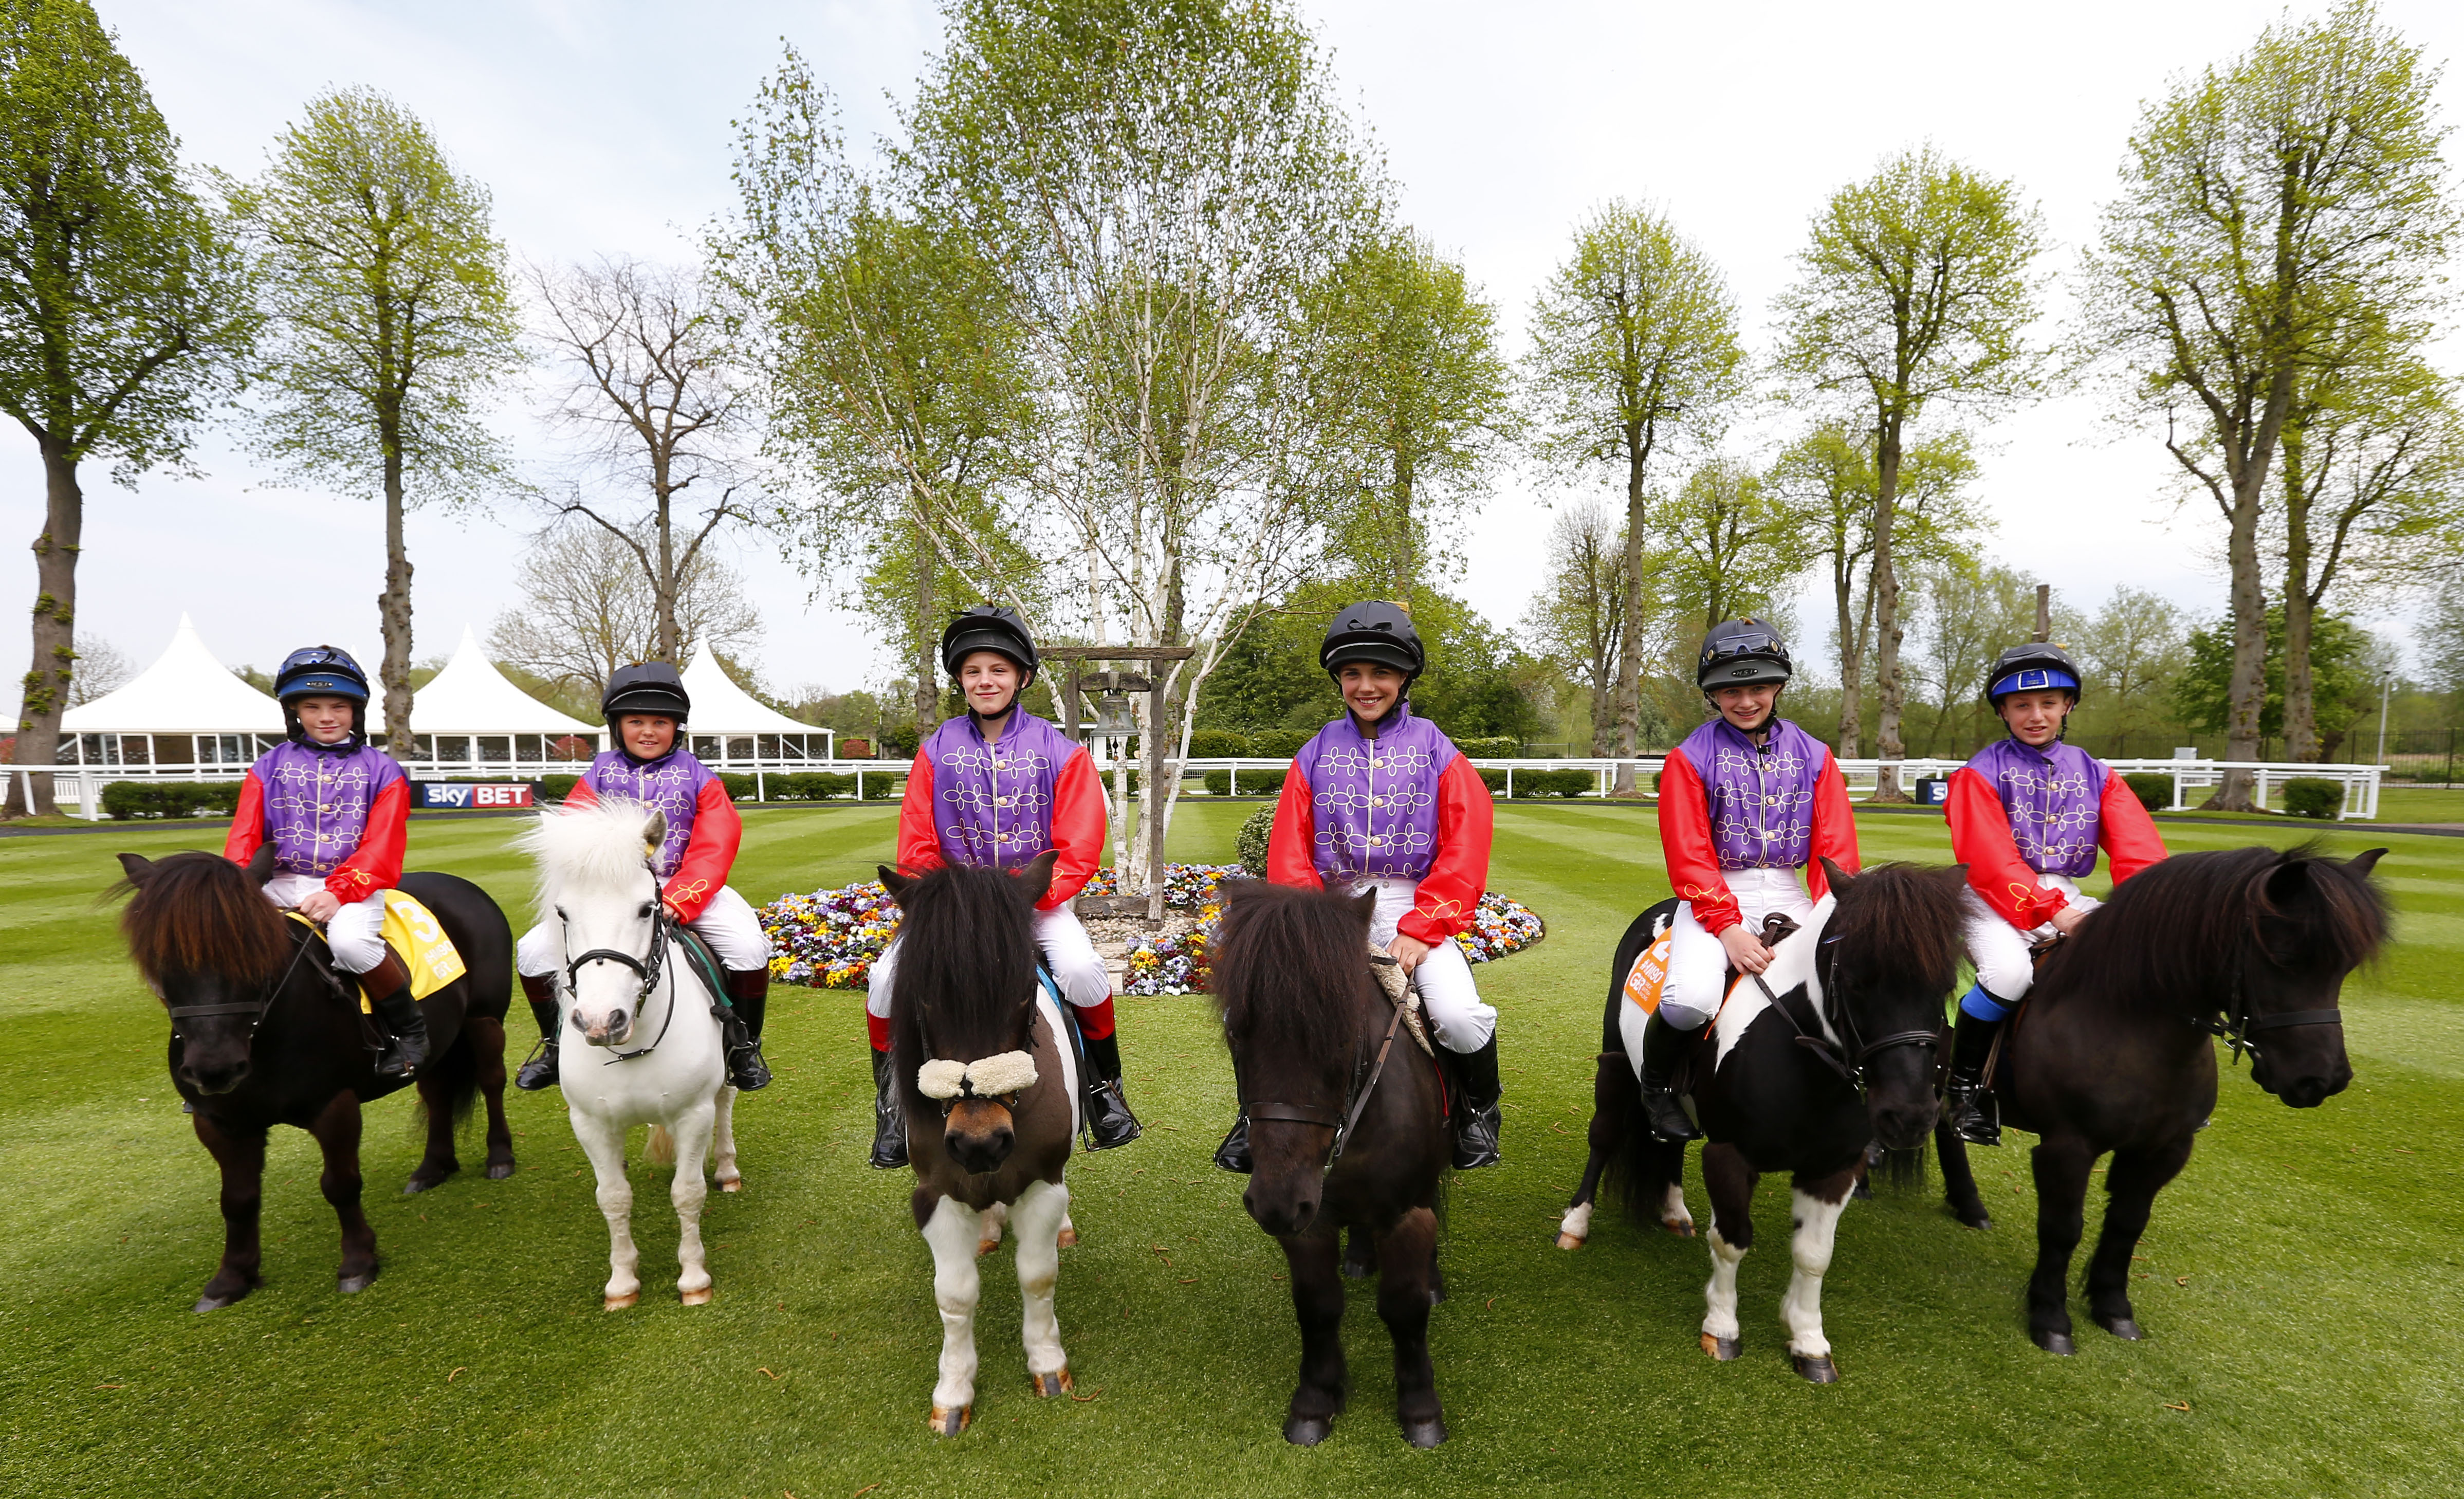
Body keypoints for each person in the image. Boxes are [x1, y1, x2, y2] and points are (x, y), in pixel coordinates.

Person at [1216, 600, 1504, 1173]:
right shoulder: (1315, 752)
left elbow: (1466, 845)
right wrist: (1312, 926)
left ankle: (1478, 1112)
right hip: (1328, 911)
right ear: (1338, 680)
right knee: (1250, 1013)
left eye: (1380, 674)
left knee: (1458, 1015)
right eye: (1353, 674)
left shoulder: (1436, 750)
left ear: (1404, 679)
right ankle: (1252, 1119)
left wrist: (1423, 931)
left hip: (1413, 906)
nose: (1366, 686)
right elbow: (1291, 853)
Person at [864, 605, 1138, 1168]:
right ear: (960, 681)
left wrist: (1023, 898)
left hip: (1034, 903)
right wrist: (950, 904)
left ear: (1023, 678)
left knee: (1084, 970)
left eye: (998, 670)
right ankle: (890, 1109)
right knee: (885, 977)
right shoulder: (935, 751)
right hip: (954, 909)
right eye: (972, 672)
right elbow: (916, 845)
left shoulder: (1063, 753)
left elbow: (1078, 847)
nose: (985, 681)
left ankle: (1103, 1091)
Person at [1642, 618, 1861, 1143]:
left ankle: (1857, 1100)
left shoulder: (1816, 756)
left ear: (1779, 686)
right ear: (1713, 694)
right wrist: (1728, 929)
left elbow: (1834, 848)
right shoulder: (1688, 758)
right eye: (1732, 690)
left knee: (1853, 987)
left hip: (1793, 890)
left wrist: (1836, 911)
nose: (1746, 701)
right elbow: (1690, 855)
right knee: (1689, 999)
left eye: (1758, 687)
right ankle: (1658, 1089)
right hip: (1717, 894)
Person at [1942, 642, 2166, 1145]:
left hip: (2065, 891)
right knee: (2009, 973)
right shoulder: (1976, 774)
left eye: (2048, 703)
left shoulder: (2099, 774)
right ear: (2002, 711)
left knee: (2148, 960)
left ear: (2068, 706)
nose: (2036, 715)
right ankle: (1964, 1091)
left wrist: (2148, 910)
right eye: (2021, 705)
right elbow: (1990, 863)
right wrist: (2057, 915)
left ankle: (2153, 1083)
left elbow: (2139, 852)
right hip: (1990, 898)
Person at [513, 662, 773, 1093]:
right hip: (611, 899)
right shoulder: (596, 776)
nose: (648, 731)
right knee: (531, 953)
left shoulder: (701, 779)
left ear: (678, 728)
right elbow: (570, 845)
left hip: (687, 892)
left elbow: (714, 848)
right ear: (618, 726)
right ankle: (555, 1043)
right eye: (636, 721)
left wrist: (679, 900)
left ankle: (743, 1047)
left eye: (660, 722)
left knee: (748, 948)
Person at [224, 646, 422, 1076]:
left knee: (351, 945)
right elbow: (244, 836)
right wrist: (236, 891)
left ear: (356, 711)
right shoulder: (267, 766)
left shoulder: (383, 770)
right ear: (294, 711)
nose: (326, 716)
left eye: (339, 706)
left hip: (350, 887)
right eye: (312, 707)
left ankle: (410, 1033)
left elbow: (383, 845)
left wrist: (338, 894)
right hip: (276, 881)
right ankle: (214, 1052)